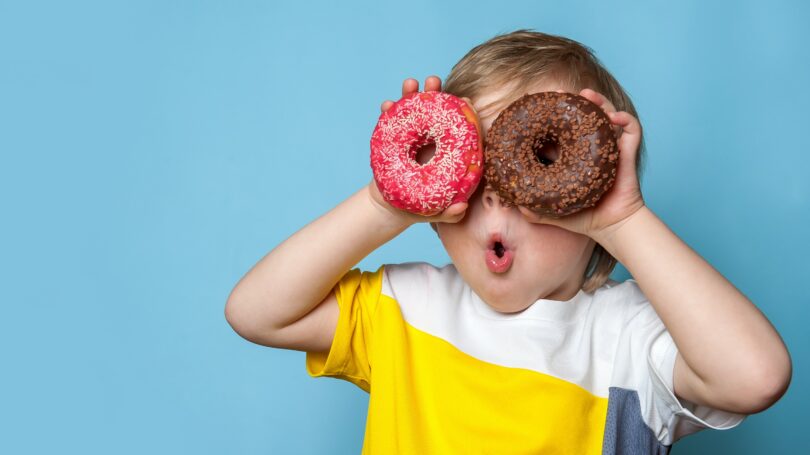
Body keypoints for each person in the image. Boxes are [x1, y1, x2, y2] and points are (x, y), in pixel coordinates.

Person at [224, 29, 791, 454]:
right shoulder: (405, 311)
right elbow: (256, 313)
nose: (496, 195)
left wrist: (624, 221)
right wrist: (383, 205)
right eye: (472, 171)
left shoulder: (630, 341)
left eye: (539, 164)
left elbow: (756, 377)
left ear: (589, 188)